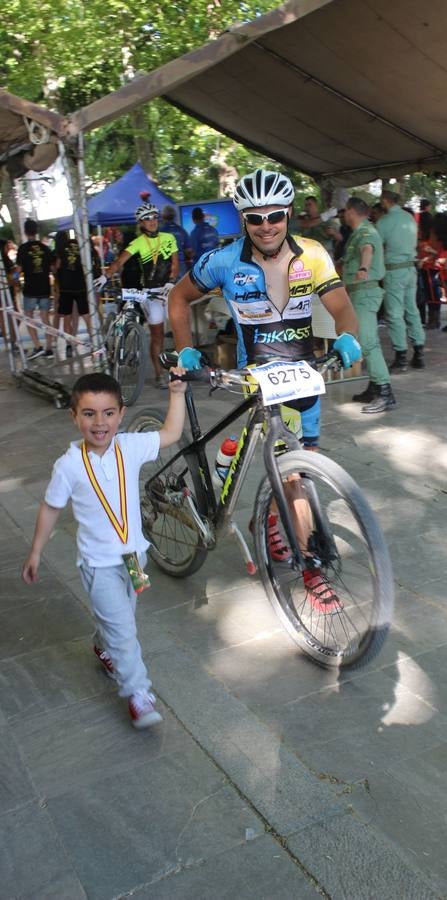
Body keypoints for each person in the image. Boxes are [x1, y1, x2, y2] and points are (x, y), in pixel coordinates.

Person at [169, 168, 360, 606]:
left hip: (305, 376)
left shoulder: (312, 255)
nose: (267, 225)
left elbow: (341, 304)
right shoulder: (223, 260)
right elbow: (177, 299)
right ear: (243, 220)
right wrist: (184, 350)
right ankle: (312, 570)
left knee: (301, 469)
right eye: (255, 218)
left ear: (289, 213)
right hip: (257, 377)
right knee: (294, 476)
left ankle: (260, 507)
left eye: (275, 215)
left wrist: (348, 335)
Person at [21, 370, 187, 728]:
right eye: (89, 413)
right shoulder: (68, 466)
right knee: (125, 629)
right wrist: (36, 550)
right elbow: (51, 507)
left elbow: (171, 433)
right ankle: (138, 694)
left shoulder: (129, 445)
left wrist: (176, 393)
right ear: (74, 416)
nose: (100, 423)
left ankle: (103, 645)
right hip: (98, 565)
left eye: (108, 413)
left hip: (135, 557)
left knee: (123, 616)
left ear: (121, 414)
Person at [100, 202, 179, 388]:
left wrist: (172, 280)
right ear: (141, 223)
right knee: (157, 335)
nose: (152, 221)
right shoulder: (138, 242)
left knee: (179, 330)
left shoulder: (169, 237)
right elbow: (120, 261)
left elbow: (175, 263)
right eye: (147, 218)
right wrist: (106, 276)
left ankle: (182, 370)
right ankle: (159, 375)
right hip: (150, 293)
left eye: (154, 217)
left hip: (169, 289)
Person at [342, 196, 395, 413]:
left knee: (369, 342)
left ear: (352, 211)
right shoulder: (357, 233)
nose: (344, 214)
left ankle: (384, 392)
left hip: (365, 292)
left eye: (345, 211)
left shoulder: (366, 232)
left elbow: (367, 250)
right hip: (358, 293)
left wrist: (364, 268)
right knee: (365, 342)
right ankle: (375, 386)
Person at [376, 189, 425, 371]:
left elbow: (376, 246)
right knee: (412, 309)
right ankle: (419, 352)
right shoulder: (409, 218)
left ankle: (401, 355)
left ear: (385, 200)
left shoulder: (384, 221)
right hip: (411, 269)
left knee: (395, 313)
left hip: (394, 271)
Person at [53, 231, 100, 358]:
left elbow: (57, 266)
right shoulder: (82, 246)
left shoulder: (62, 247)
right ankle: (95, 342)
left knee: (66, 317)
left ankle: (69, 346)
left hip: (65, 287)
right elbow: (88, 266)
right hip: (80, 286)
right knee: (86, 316)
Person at [15, 218, 54, 360]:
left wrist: (13, 278)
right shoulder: (45, 248)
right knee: (45, 319)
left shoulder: (22, 249)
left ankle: (38, 346)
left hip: (30, 290)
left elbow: (18, 270)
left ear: (25, 232)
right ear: (36, 231)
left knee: (29, 318)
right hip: (44, 288)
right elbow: (53, 267)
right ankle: (49, 348)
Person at [160, 204, 193, 274]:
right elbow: (189, 250)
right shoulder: (181, 230)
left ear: (162, 216)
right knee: (180, 285)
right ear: (174, 216)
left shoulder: (160, 231)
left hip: (166, 266)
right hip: (180, 265)